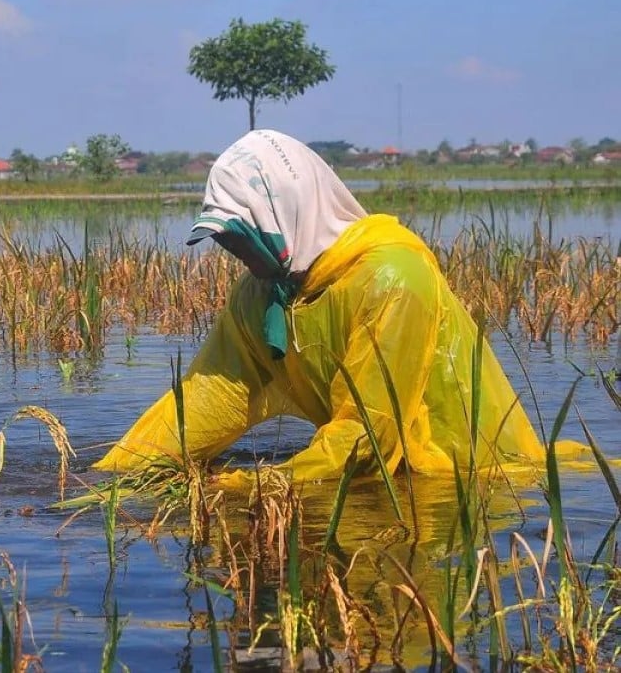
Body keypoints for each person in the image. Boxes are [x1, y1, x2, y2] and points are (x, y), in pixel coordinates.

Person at [93, 129, 584, 483]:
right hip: (373, 475)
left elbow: (368, 436)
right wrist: (116, 473)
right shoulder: (263, 294)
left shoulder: (393, 279)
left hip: (463, 476)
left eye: (242, 234)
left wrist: (252, 484)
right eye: (224, 238)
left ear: (286, 214)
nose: (233, 250)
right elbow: (206, 396)